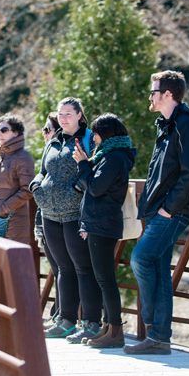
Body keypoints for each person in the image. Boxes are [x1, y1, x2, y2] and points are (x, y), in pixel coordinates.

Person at [125, 71, 189, 355]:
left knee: (141, 258)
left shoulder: (188, 125)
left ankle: (154, 329)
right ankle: (158, 338)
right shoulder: (167, 125)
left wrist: (169, 209)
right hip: (159, 210)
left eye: (154, 91)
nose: (150, 96)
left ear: (168, 94)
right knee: (157, 267)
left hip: (174, 211)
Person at [30, 97, 101, 343]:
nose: (63, 118)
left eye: (69, 113)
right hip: (50, 213)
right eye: (60, 114)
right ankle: (66, 320)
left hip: (75, 214)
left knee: (83, 267)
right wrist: (36, 185)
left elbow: (95, 171)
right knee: (62, 268)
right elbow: (43, 170)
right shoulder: (54, 141)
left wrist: (77, 191)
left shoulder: (89, 139)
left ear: (80, 115)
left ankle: (91, 321)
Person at [72, 113, 136, 348]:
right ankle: (109, 327)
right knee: (103, 277)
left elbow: (97, 188)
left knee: (105, 278)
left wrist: (82, 164)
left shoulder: (114, 158)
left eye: (96, 134)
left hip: (103, 223)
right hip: (99, 222)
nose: (94, 138)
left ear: (104, 133)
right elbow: (87, 185)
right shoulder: (108, 156)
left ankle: (115, 331)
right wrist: (87, 164)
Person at [0, 114, 35, 244]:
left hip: (14, 221)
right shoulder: (0, 157)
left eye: (4, 130)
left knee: (13, 262)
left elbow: (28, 190)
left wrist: (3, 209)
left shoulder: (23, 157)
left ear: (16, 133)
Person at [36, 114, 62, 328]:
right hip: (45, 216)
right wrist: (36, 187)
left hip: (59, 215)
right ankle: (58, 312)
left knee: (62, 268)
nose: (44, 134)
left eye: (47, 129)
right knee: (57, 267)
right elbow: (41, 176)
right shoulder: (49, 151)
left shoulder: (61, 151)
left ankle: (61, 314)